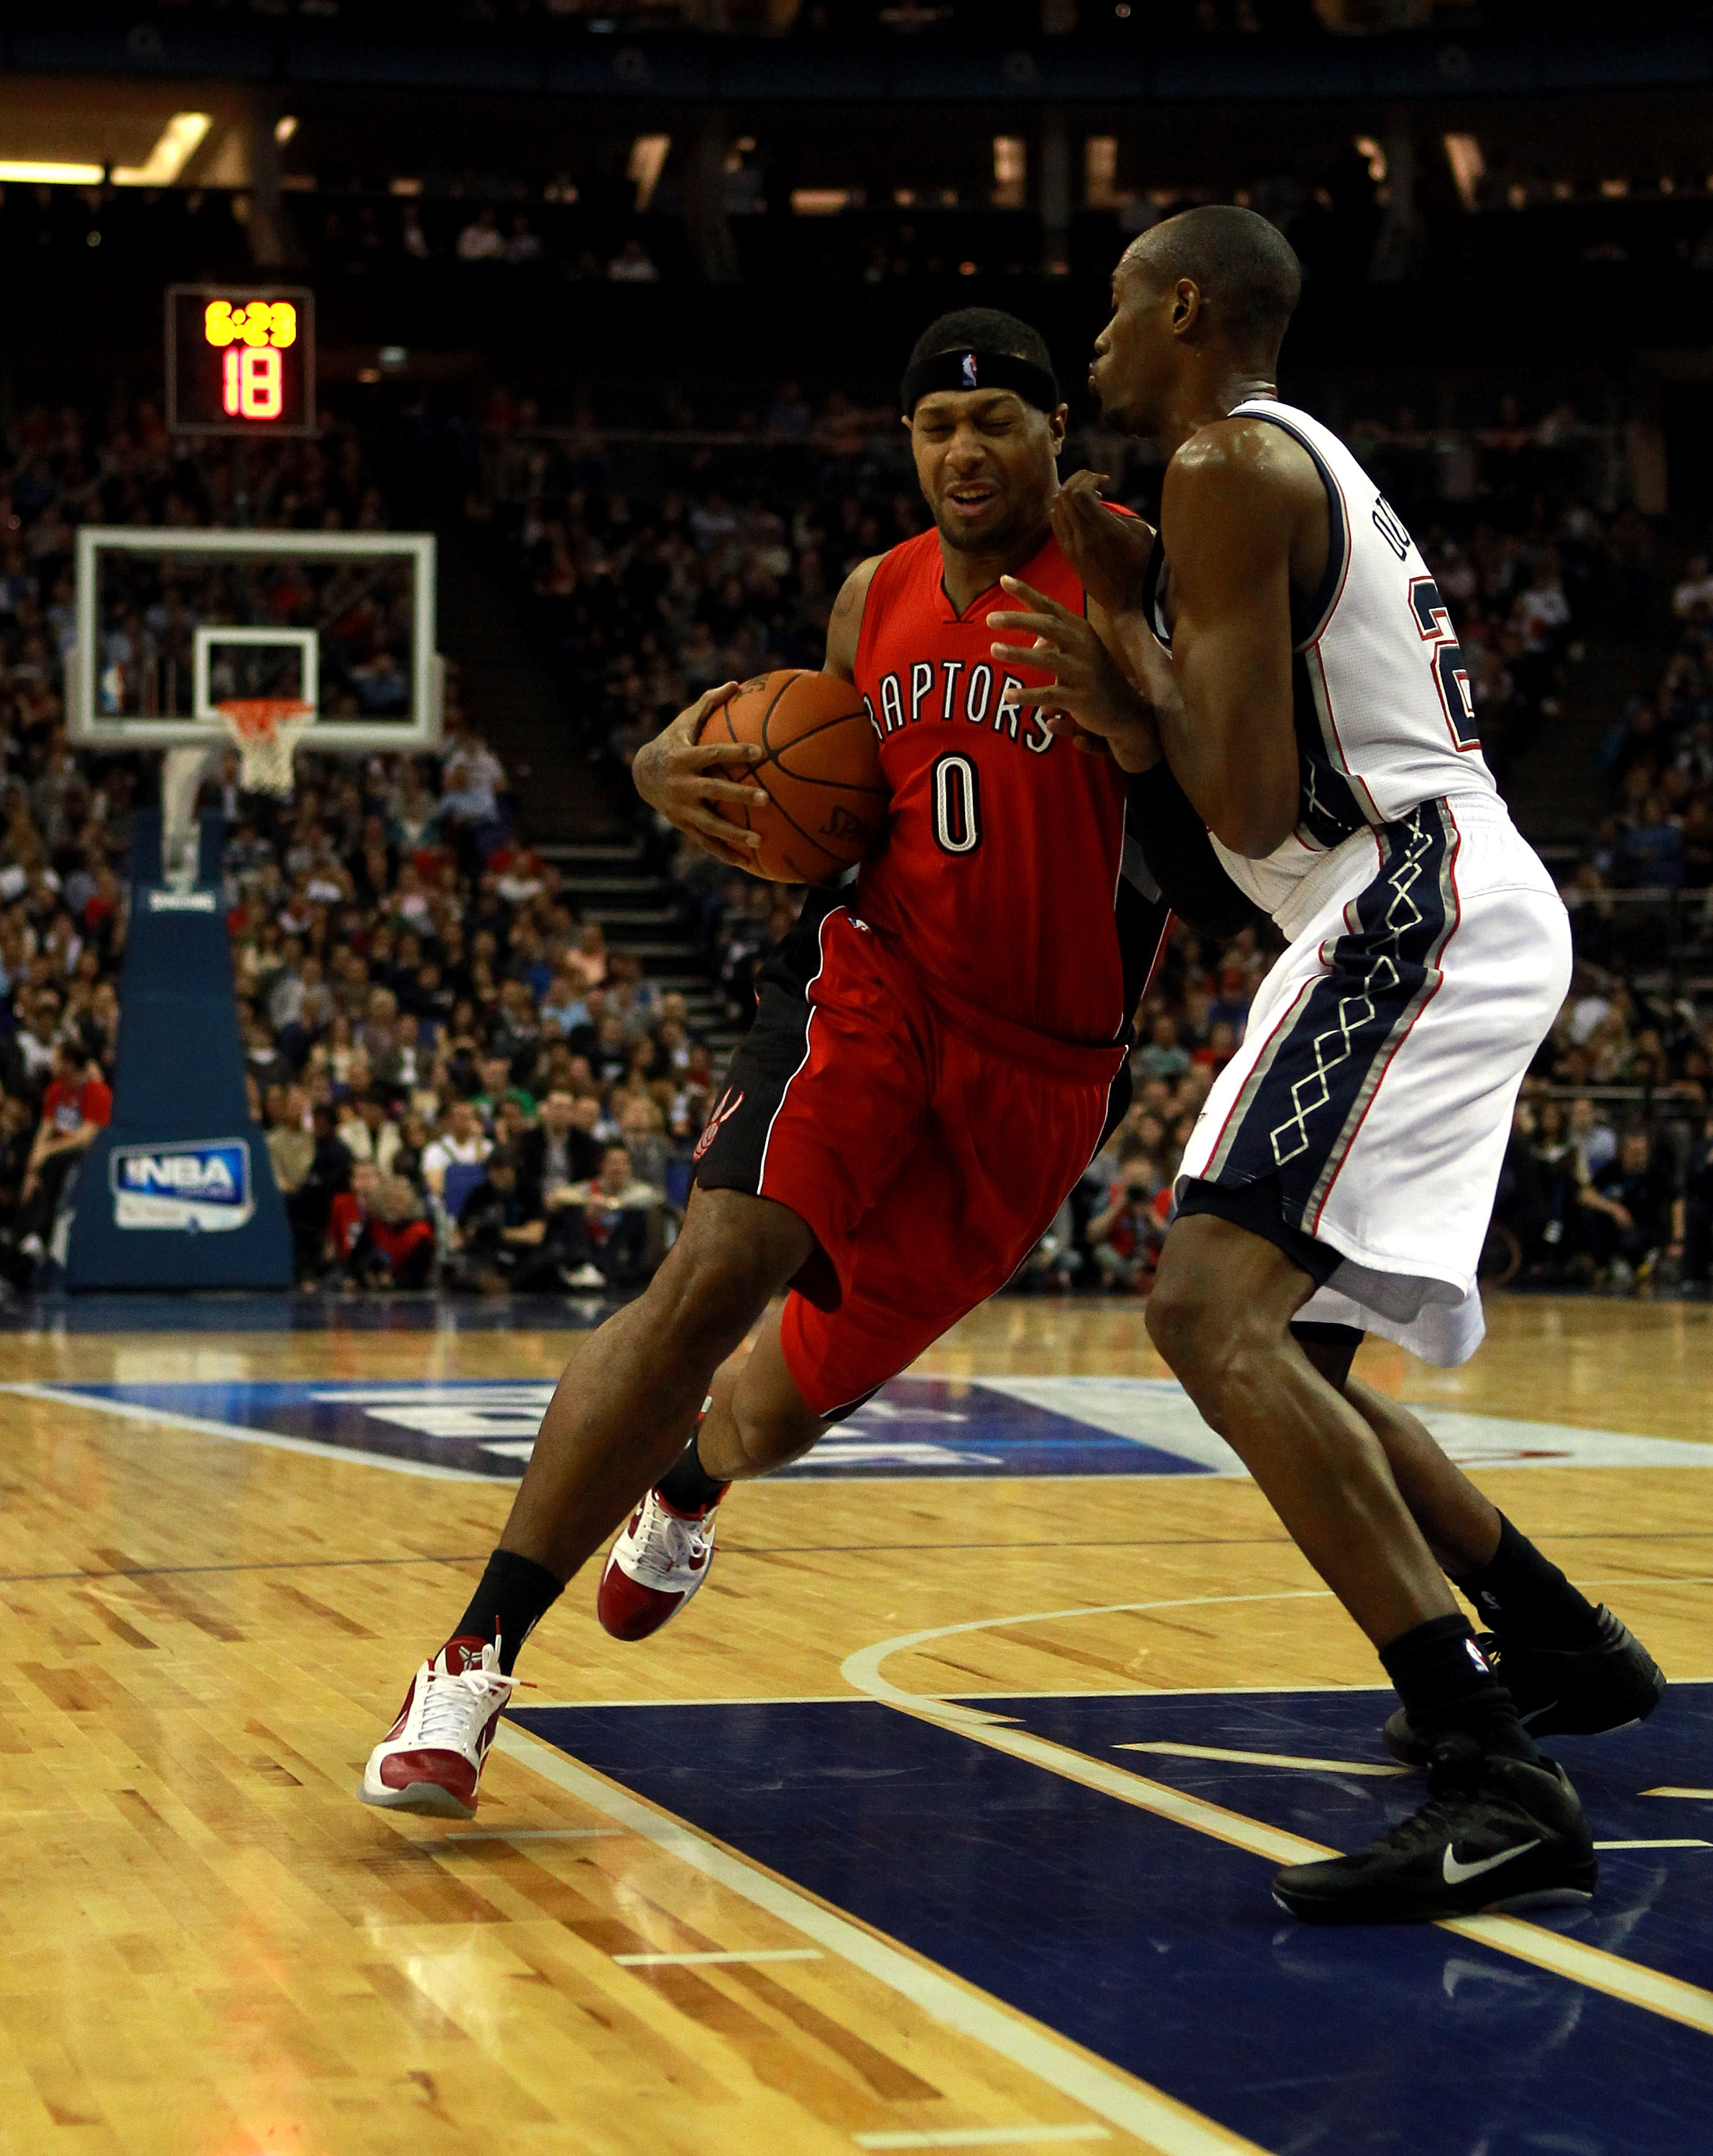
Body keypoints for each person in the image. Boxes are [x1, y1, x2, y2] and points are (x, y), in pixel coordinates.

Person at [359, 303, 1250, 1822]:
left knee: (779, 1410)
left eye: (995, 422)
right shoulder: (868, 601)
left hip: (1043, 1067)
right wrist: (660, 764)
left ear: (1053, 433)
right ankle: (469, 1664)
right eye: (934, 426)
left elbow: (1221, 863)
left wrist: (1146, 731)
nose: (963, 451)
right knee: (708, 1273)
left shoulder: (1122, 573)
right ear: (905, 446)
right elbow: (810, 790)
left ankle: (692, 1485)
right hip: (871, 983)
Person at [1014, 205, 1661, 1922]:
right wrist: (1133, 633)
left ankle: (1492, 1779)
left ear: (1186, 309)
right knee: (1293, 1346)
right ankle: (1565, 1651)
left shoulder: (1226, 461)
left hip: (1409, 897)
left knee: (1202, 1316)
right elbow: (1227, 785)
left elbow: (1229, 798)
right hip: (1429, 895)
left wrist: (1120, 641)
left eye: (1107, 316)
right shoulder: (1269, 470)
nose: (1090, 350)